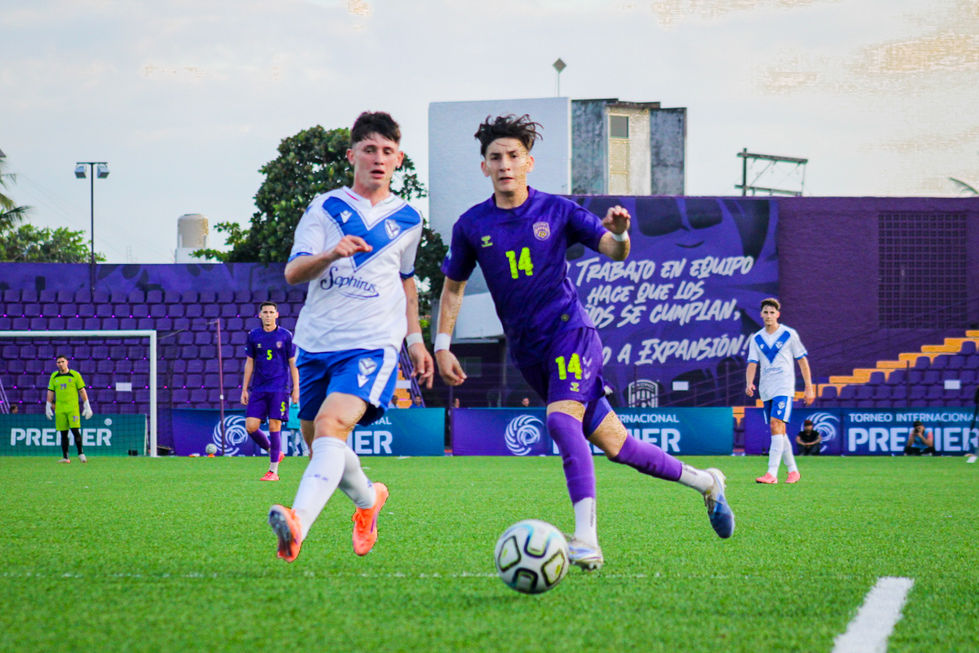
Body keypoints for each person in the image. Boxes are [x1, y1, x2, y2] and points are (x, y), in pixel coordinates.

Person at [434, 114, 734, 571]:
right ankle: (708, 483)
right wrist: (441, 344)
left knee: (560, 423)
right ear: (484, 168)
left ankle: (587, 539)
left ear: (529, 162)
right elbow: (453, 287)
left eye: (513, 156)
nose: (505, 164)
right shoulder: (471, 225)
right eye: (495, 157)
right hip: (530, 353)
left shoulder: (557, 211)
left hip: (571, 333)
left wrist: (619, 233)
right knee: (619, 446)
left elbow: (615, 251)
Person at [268, 111, 434, 563]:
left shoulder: (408, 218)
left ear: (398, 159)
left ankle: (298, 521)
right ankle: (369, 500)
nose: (378, 159)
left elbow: (406, 280)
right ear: (352, 155)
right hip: (318, 341)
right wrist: (330, 253)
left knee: (331, 426)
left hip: (372, 341)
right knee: (320, 442)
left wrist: (416, 339)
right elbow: (292, 272)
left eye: (387, 151)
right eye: (369, 149)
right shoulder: (325, 208)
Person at [746, 297, 815, 484]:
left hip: (784, 386)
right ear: (761, 315)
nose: (769, 316)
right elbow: (752, 362)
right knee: (778, 429)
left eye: (772, 312)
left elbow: (802, 360)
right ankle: (793, 471)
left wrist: (809, 387)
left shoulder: (788, 334)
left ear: (778, 314)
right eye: (765, 312)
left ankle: (772, 473)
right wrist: (749, 382)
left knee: (777, 424)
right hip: (766, 388)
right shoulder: (757, 338)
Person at [241, 301, 299, 481]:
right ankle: (273, 451)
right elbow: (250, 362)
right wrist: (244, 388)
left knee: (275, 425)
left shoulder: (285, 335)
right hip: (258, 388)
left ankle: (273, 471)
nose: (268, 315)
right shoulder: (253, 336)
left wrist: (296, 388)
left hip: (279, 387)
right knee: (251, 426)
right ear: (260, 315)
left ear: (277, 315)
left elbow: (292, 362)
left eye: (271, 312)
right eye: (265, 312)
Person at [45, 355, 93, 463]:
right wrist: (48, 406)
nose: (60, 364)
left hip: (72, 409)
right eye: (58, 362)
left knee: (75, 431)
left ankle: (81, 453)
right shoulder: (54, 376)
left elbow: (82, 390)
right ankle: (65, 457)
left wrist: (87, 405)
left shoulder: (75, 375)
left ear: (67, 362)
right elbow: (50, 391)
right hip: (60, 409)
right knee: (63, 434)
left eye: (62, 361)